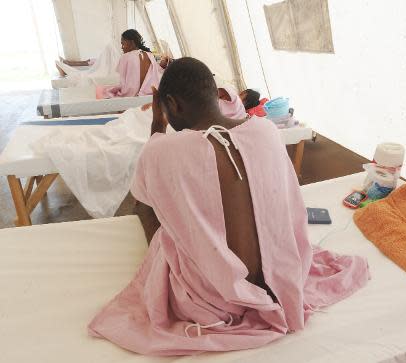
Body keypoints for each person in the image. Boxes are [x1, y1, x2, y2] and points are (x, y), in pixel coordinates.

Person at [88, 57, 369, 355]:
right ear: (216, 95)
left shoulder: (161, 151)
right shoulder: (266, 132)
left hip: (212, 298)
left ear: (172, 104)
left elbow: (144, 205)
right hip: (281, 279)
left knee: (158, 224)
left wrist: (157, 128)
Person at [99, 29, 169, 98]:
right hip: (147, 92)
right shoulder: (149, 55)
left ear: (131, 43)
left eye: (123, 44)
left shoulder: (126, 57)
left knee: (102, 91)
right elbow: (156, 73)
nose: (122, 47)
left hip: (131, 93)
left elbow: (119, 79)